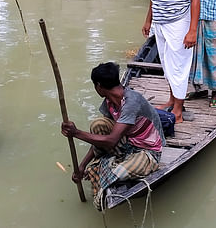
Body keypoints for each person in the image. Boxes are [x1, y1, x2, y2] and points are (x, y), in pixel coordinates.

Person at [60, 62, 165, 210]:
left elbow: (110, 141)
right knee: (98, 124)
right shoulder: (109, 102)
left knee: (116, 172)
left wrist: (76, 133)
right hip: (127, 142)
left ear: (99, 86)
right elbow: (102, 139)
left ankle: (108, 170)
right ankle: (106, 166)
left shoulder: (131, 102)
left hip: (147, 151)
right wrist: (82, 166)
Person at [142, 0, 200, 123]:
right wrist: (148, 20)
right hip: (160, 22)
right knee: (167, 65)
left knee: (179, 66)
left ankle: (178, 110)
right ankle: (171, 99)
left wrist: (192, 30)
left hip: (178, 22)